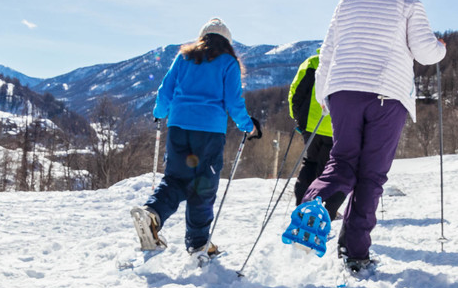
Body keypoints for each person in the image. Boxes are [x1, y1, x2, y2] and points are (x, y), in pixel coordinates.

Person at [298, 0, 445, 273]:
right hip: (385, 95)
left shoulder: (347, 1)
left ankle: (313, 202)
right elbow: (424, 51)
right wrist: (440, 48)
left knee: (342, 160)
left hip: (342, 92)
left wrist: (324, 97)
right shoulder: (408, 1)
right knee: (371, 175)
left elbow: (328, 52)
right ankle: (355, 252)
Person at [130, 19, 260, 257]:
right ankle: (199, 243)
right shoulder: (228, 62)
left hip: (179, 126)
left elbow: (165, 89)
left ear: (202, 37)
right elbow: (233, 101)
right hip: (209, 131)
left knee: (176, 179)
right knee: (204, 185)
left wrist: (159, 113)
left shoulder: (183, 58)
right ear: (227, 42)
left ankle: (153, 214)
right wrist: (248, 126)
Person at [286, 52, 342, 213]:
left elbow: (296, 92)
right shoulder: (345, 60)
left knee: (310, 163)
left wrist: (297, 118)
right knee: (332, 167)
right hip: (336, 126)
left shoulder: (312, 62)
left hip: (311, 125)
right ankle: (327, 209)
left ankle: (302, 205)